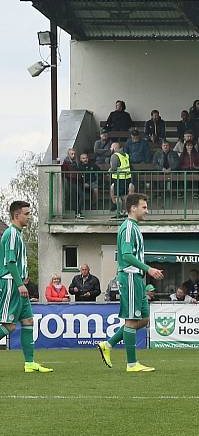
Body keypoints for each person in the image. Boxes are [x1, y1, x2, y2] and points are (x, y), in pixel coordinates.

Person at [96, 194, 164, 372]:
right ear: (133, 208)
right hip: (130, 276)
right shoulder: (127, 228)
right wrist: (148, 269)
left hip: (137, 278)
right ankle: (132, 364)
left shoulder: (134, 227)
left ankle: (108, 345)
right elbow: (126, 255)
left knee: (143, 320)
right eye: (144, 207)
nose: (147, 211)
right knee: (132, 320)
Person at [0, 201, 53, 372]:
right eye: (27, 214)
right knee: (9, 325)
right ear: (17, 215)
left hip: (19, 284)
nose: (29, 217)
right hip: (11, 284)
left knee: (28, 321)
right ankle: (29, 363)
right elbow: (10, 261)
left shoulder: (17, 234)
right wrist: (19, 283)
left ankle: (29, 363)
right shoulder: (11, 234)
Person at [109, 142, 133, 217]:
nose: (110, 149)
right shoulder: (126, 155)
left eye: (111, 147)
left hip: (118, 179)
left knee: (117, 196)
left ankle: (118, 212)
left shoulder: (114, 156)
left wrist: (110, 170)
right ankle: (125, 212)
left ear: (114, 148)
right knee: (125, 196)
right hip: (127, 178)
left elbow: (113, 168)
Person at [61, 148, 84, 217]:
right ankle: (77, 212)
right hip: (71, 181)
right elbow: (65, 172)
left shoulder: (75, 162)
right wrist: (72, 175)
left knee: (78, 196)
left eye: (74, 154)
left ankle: (78, 212)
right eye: (72, 154)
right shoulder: (66, 162)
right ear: (68, 154)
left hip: (78, 180)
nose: (73, 155)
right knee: (78, 196)